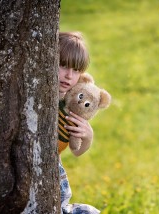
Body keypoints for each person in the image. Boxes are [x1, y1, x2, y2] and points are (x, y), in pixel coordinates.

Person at [58, 31, 100, 214]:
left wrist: (88, 138)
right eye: (63, 65)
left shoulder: (72, 102)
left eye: (76, 70)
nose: (68, 76)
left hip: (57, 184)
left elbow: (76, 151)